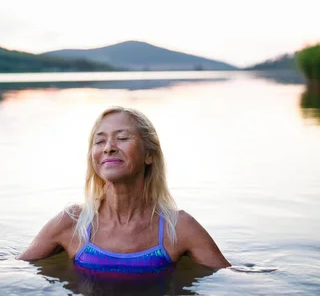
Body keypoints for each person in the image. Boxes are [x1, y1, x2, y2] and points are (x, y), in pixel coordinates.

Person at [18, 106, 231, 271]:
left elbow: (229, 282)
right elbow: (17, 270)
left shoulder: (179, 227)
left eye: (122, 138)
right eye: (100, 141)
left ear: (149, 155)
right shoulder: (72, 221)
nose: (109, 147)